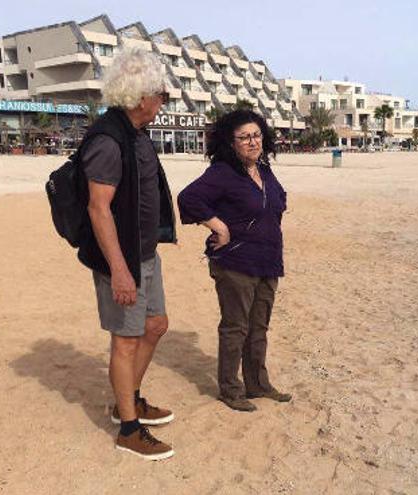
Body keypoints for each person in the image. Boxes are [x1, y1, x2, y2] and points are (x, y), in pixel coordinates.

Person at [75, 49, 176, 460]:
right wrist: (119, 270)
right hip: (124, 260)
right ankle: (129, 430)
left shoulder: (136, 133)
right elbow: (98, 209)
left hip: (146, 254)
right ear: (140, 97)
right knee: (126, 340)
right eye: (161, 93)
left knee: (155, 325)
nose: (164, 101)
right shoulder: (108, 139)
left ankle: (127, 401)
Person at [177, 110, 292, 412]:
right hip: (236, 262)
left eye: (256, 135)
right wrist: (219, 226)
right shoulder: (223, 172)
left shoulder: (264, 170)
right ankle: (230, 389)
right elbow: (188, 199)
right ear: (231, 143)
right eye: (244, 138)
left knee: (259, 328)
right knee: (235, 327)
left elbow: (278, 201)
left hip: (268, 261)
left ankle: (257, 383)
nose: (252, 142)